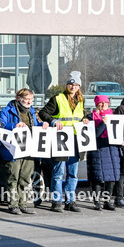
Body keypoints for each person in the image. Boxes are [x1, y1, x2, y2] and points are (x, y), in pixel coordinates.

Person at [38, 72, 91, 212]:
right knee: (58, 172)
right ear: (67, 85)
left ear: (79, 86)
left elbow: (81, 116)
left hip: (76, 140)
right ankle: (56, 201)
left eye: (76, 85)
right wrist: (53, 121)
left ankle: (70, 201)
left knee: (73, 173)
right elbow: (43, 113)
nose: (73, 87)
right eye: (70, 84)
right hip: (61, 140)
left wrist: (85, 119)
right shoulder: (58, 98)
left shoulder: (81, 100)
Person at [0, 88, 37, 215]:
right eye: (27, 99)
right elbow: (1, 125)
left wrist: (44, 125)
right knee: (13, 177)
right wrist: (14, 125)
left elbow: (35, 126)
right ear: (19, 98)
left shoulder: (32, 111)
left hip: (28, 147)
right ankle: (13, 204)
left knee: (25, 177)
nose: (29, 101)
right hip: (14, 149)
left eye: (31, 99)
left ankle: (23, 203)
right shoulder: (7, 110)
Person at [85, 95, 122, 210]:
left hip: (111, 149)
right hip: (97, 149)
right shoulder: (90, 117)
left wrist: (123, 140)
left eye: (105, 102)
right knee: (97, 176)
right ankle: (96, 202)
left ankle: (107, 201)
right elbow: (93, 134)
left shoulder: (114, 116)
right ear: (96, 104)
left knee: (111, 177)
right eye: (100, 103)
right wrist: (103, 123)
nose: (103, 105)